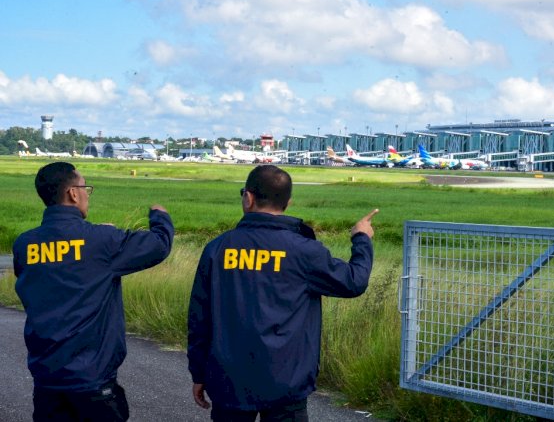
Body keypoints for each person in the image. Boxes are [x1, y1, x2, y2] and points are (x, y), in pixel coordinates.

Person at [188, 165, 378, 421]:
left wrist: (198, 373)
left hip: (227, 379)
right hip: (286, 381)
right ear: (287, 202)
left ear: (248, 198)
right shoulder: (305, 251)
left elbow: (199, 318)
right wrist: (362, 239)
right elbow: (354, 282)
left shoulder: (217, 248)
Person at [12, 161, 174, 421]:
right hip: (93, 381)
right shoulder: (102, 241)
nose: (87, 194)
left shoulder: (24, 245)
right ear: (73, 193)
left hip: (46, 379)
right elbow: (158, 245)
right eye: (85, 187)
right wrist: (160, 216)